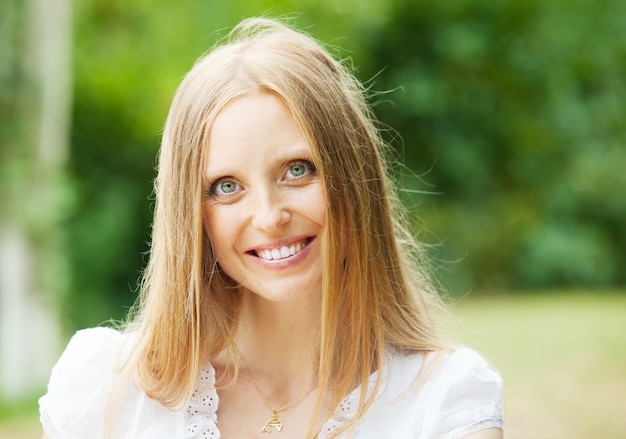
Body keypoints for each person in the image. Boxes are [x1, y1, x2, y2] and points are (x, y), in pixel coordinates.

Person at [39, 17, 503, 439]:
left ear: (353, 176)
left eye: (297, 170)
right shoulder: (107, 391)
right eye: (226, 186)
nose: (268, 216)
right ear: (191, 214)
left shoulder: (444, 404)